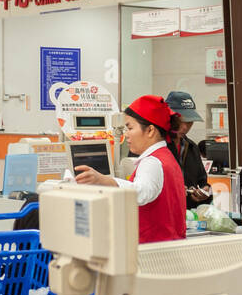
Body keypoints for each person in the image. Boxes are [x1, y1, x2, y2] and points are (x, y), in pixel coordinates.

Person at [75, 94, 187, 243]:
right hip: (167, 246)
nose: (126, 135)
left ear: (150, 130)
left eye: (130, 128)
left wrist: (103, 180)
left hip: (151, 250)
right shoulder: (167, 157)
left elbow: (142, 192)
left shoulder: (152, 161)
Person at [164, 90, 212, 209]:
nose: (185, 127)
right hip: (164, 215)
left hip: (189, 217)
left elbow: (203, 182)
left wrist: (205, 192)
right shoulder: (156, 146)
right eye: (180, 121)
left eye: (189, 122)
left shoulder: (192, 147)